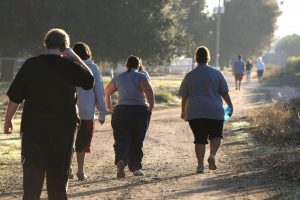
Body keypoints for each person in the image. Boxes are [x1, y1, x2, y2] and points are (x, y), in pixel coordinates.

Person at [3, 28, 94, 200]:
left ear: (46, 44)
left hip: (33, 131)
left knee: (31, 185)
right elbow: (89, 81)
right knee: (58, 185)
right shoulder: (69, 66)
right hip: (63, 132)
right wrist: (75, 58)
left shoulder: (31, 64)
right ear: (65, 47)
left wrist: (8, 121)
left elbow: (15, 97)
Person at [179, 46, 233, 173]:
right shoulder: (217, 73)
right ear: (208, 58)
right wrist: (230, 105)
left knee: (200, 139)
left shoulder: (190, 75)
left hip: (195, 110)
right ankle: (212, 156)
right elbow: (224, 92)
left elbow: (184, 96)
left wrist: (183, 111)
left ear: (196, 58)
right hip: (214, 110)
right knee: (216, 135)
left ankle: (200, 165)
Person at [105, 55, 154, 178]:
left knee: (121, 138)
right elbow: (148, 91)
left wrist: (110, 106)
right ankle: (136, 168)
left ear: (126, 65)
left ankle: (121, 160)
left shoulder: (119, 78)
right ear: (138, 65)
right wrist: (151, 105)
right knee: (137, 139)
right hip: (138, 110)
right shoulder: (141, 77)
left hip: (121, 110)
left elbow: (106, 92)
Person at [71, 42, 106, 181]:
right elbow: (99, 90)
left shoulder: (68, 66)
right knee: (82, 142)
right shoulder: (93, 68)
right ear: (87, 53)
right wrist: (102, 111)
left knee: (68, 142)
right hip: (86, 111)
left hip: (68, 111)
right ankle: (80, 171)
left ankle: (68, 169)